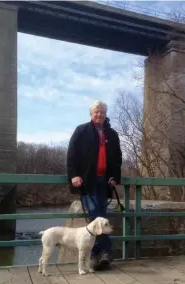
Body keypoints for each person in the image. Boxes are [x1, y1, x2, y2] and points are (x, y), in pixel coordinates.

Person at [67, 101, 122, 270]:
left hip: (104, 180)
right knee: (94, 215)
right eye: (97, 112)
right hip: (87, 180)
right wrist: (74, 175)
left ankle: (95, 255)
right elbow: (72, 154)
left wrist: (114, 177)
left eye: (102, 112)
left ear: (106, 114)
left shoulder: (112, 134)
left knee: (100, 216)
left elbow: (117, 159)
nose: (100, 115)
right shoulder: (81, 130)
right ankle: (103, 252)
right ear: (91, 114)